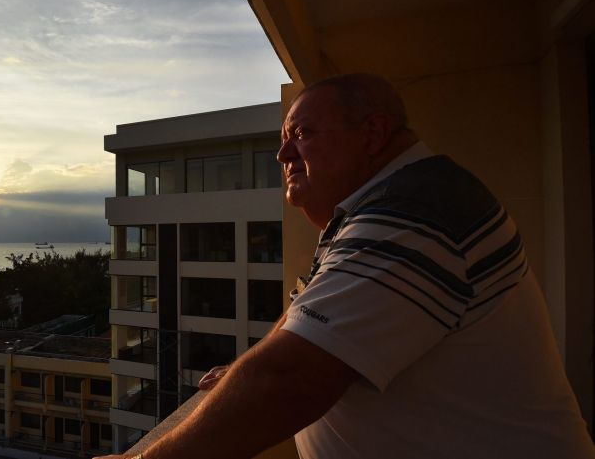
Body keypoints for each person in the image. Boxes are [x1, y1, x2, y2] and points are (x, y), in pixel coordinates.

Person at [96, 74, 594, 459]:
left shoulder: (416, 213)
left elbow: (290, 378)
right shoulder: (375, 213)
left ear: (374, 133)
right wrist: (239, 373)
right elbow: (302, 321)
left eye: (302, 134)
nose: (282, 153)